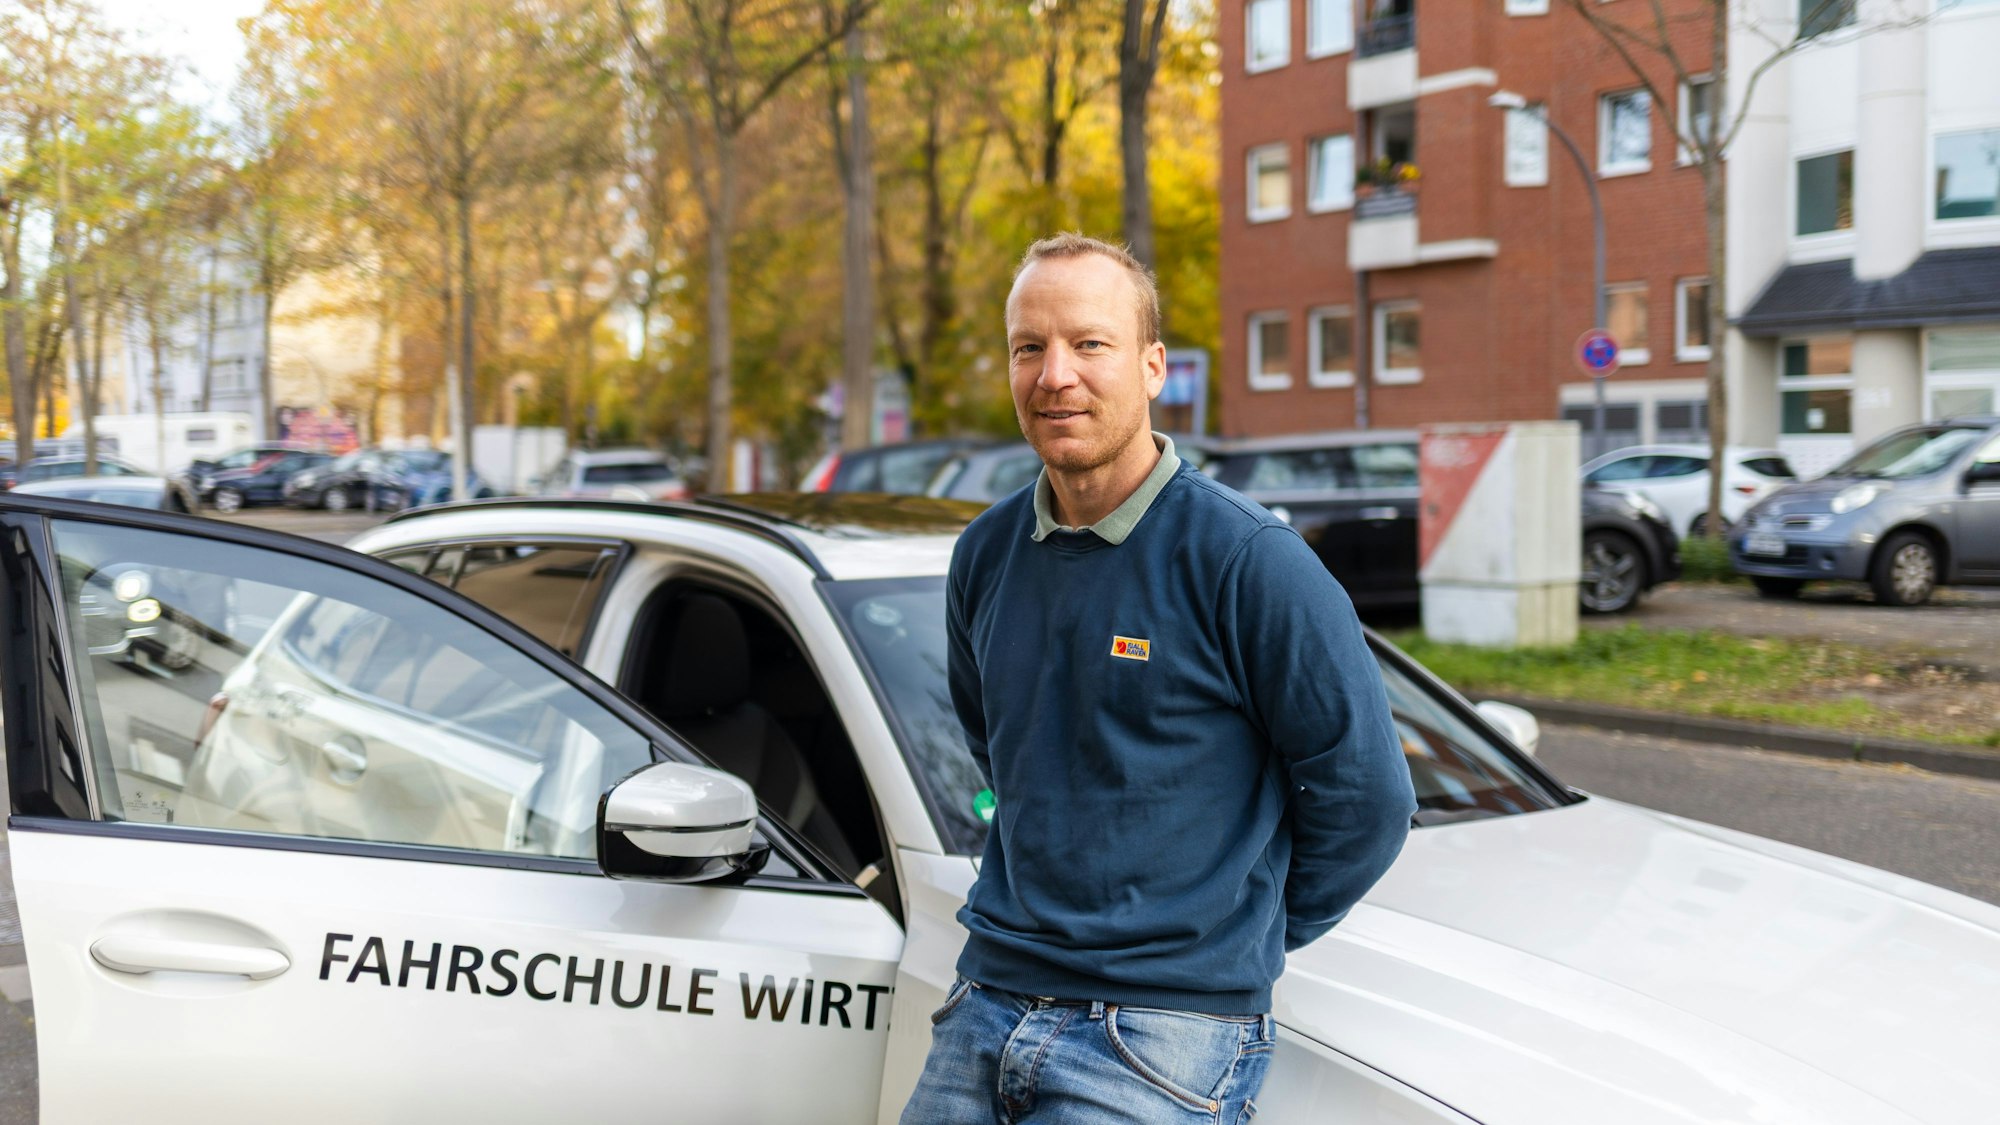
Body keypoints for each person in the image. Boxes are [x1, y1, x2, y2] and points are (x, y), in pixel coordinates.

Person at [900, 233, 1417, 1124]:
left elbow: (1366, 797)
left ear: (1152, 367)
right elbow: (1004, 752)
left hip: (1161, 1037)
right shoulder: (985, 555)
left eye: (1089, 343)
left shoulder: (1249, 561)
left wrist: (1222, 936)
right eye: (1030, 346)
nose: (1055, 373)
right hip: (986, 1001)